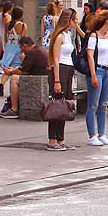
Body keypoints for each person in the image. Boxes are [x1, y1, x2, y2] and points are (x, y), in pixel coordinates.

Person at [46, 9, 81, 150]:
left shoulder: (67, 35)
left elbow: (83, 35)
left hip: (68, 69)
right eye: (75, 20)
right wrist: (57, 80)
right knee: (56, 106)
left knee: (64, 106)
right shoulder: (59, 36)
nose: (76, 22)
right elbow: (55, 58)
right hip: (60, 70)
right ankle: (52, 140)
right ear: (69, 20)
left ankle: (61, 138)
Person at [85, 9, 108, 147]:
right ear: (106, 21)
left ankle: (102, 134)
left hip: (107, 70)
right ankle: (92, 135)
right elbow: (90, 56)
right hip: (97, 70)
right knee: (93, 104)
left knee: (104, 104)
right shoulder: (93, 36)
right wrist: (93, 75)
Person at [0, 36, 49, 119]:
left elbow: (21, 71)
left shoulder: (31, 53)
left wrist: (10, 72)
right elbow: (26, 68)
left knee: (14, 78)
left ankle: (14, 109)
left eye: (21, 48)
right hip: (43, 78)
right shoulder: (38, 49)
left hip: (39, 79)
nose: (21, 50)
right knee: (16, 76)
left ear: (25, 45)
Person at [0, 6, 27, 98]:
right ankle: (14, 88)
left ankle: (2, 84)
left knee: (8, 68)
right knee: (16, 68)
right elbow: (23, 39)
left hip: (9, 47)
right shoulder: (22, 25)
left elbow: (6, 37)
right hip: (17, 48)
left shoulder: (8, 24)